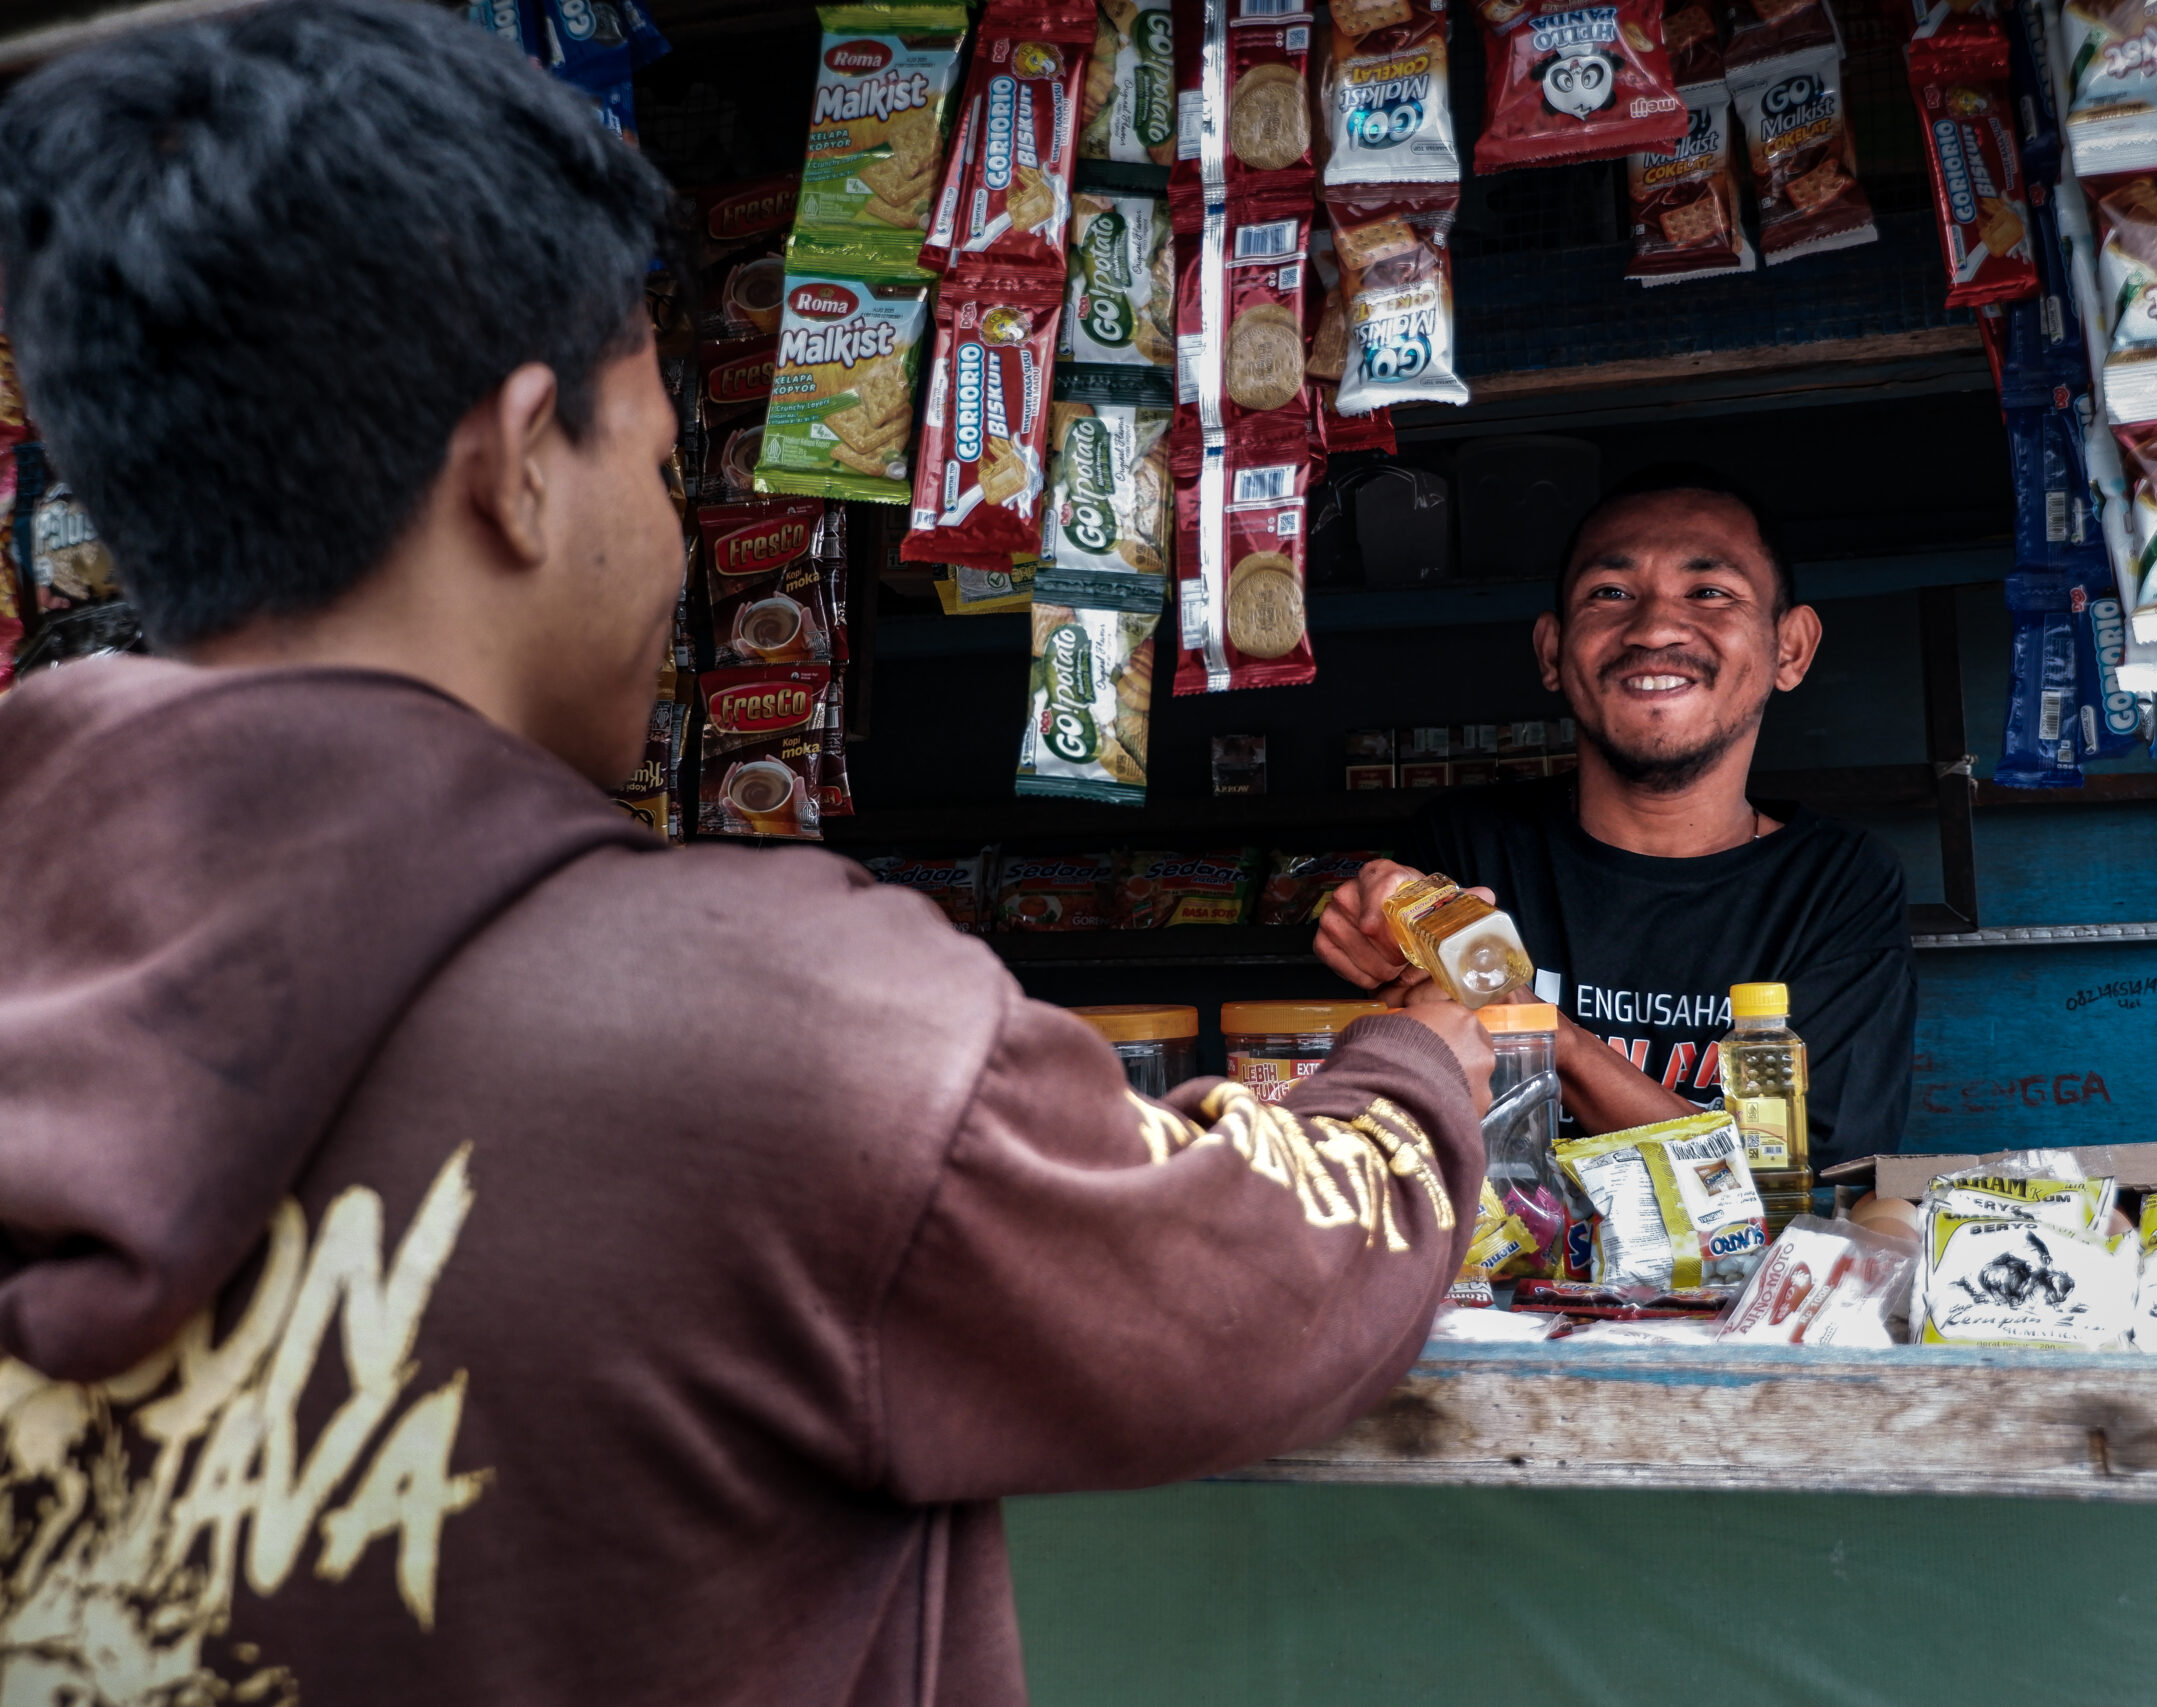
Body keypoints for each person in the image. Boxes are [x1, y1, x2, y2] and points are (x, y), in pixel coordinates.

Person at [0, 4, 1492, 1700]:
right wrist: (1418, 1077)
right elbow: (1251, 1289)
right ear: (518, 469)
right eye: (657, 464)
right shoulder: (783, 1030)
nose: (674, 539)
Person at [1317, 467, 1916, 1171]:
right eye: (1610, 593)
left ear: (1790, 648)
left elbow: (1799, 1181)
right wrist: (1379, 931)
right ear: (1552, 651)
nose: (1655, 627)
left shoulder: (1837, 883)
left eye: (1709, 592)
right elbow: (1408, 1134)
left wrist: (1543, 1032)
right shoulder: (1470, 847)